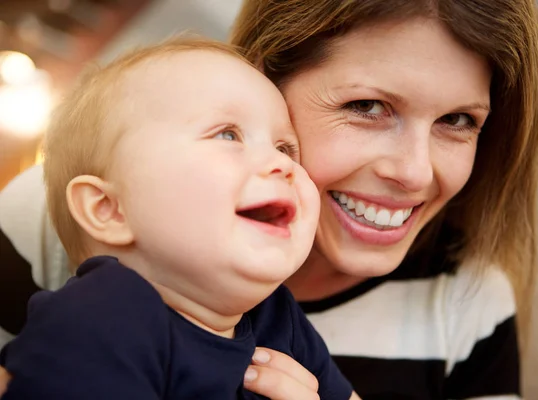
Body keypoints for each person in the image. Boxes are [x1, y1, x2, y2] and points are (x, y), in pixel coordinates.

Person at [0, 0, 538, 399]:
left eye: (458, 120)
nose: (414, 173)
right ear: (262, 81)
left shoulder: (276, 316)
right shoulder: (91, 296)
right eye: (366, 106)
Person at [0, 36, 360, 400]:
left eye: (285, 147)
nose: (283, 164)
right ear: (108, 209)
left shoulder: (276, 317)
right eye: (228, 134)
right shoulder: (102, 316)